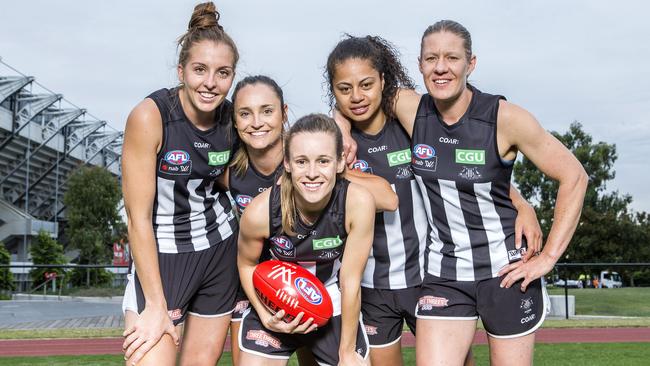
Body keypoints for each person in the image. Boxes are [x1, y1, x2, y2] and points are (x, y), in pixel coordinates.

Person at [328, 35, 544, 366]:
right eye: (344, 90)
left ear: (383, 82)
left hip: (428, 275)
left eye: (366, 85)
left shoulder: (412, 124)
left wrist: (520, 202)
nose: (356, 97)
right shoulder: (334, 145)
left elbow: (467, 171)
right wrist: (337, 125)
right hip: (372, 285)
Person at [388, 20, 587, 365]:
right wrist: (341, 127)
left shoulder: (505, 118)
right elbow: (356, 84)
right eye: (431, 58)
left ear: (471, 63)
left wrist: (549, 257)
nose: (440, 67)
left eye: (451, 57)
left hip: (506, 271)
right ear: (419, 65)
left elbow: (574, 175)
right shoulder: (410, 108)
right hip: (445, 272)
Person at [228, 76, 397, 366]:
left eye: (323, 161)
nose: (312, 173)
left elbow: (351, 279)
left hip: (331, 297)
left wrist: (346, 352)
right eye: (302, 162)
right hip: (274, 298)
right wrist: (266, 315)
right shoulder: (260, 211)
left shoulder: (358, 202)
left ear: (341, 163)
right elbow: (246, 264)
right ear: (288, 165)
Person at [120, 3, 241, 365]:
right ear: (181, 70)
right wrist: (156, 305)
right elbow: (137, 217)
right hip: (163, 257)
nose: (210, 83)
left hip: (220, 251)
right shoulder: (150, 116)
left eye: (223, 73)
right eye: (200, 70)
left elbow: (229, 180)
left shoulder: (233, 119)